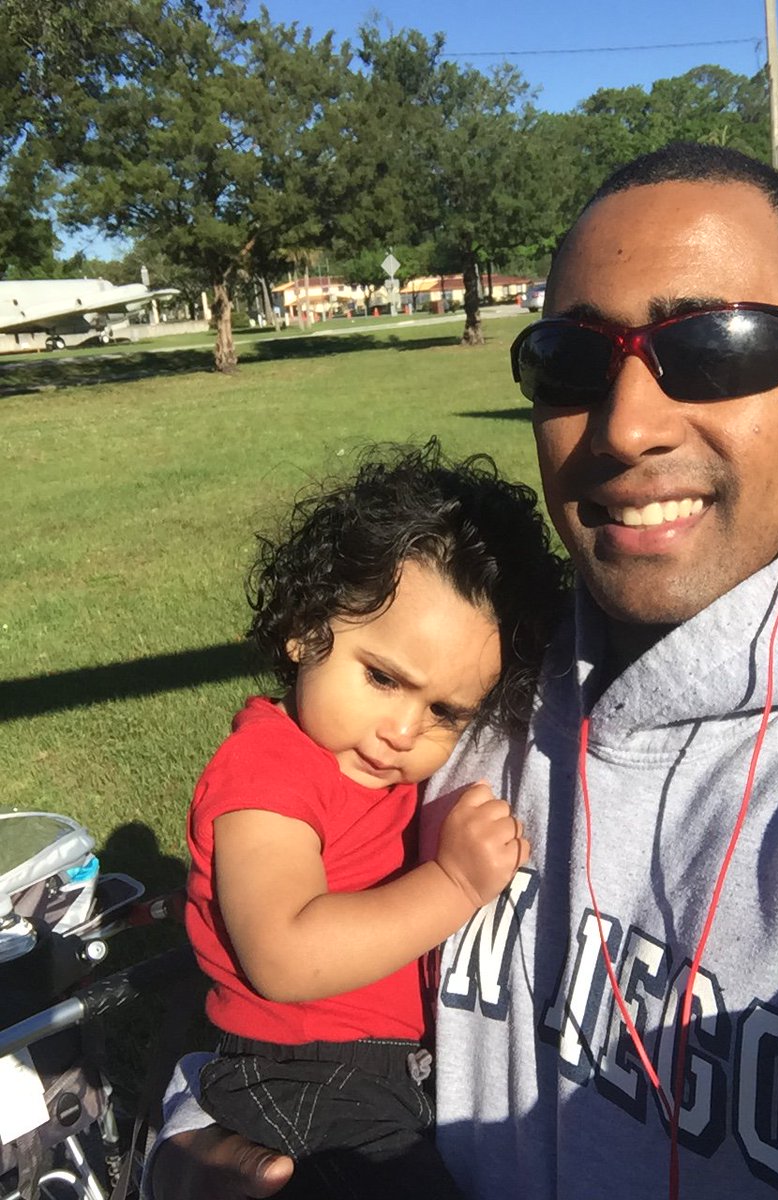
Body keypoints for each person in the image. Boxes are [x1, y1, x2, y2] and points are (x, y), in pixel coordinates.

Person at [150, 142, 778, 1199]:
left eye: (713, 347)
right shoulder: (481, 670)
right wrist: (188, 1144)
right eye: (571, 361)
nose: (627, 425)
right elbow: (267, 991)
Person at [183, 442, 569, 1198]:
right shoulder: (268, 767)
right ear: (305, 628)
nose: (402, 730)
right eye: (383, 678)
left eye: (445, 712)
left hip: (369, 1073)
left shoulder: (366, 768)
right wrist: (455, 884)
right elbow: (285, 955)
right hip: (299, 1071)